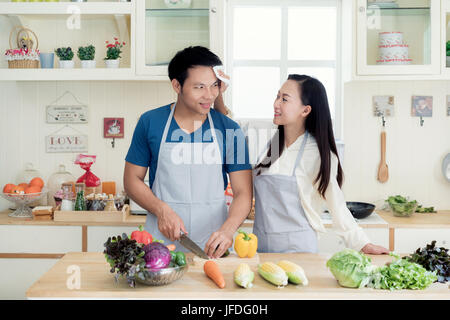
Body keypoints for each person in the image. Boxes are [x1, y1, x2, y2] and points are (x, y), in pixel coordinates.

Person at [215, 74, 389, 255]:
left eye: (284, 99)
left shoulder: (318, 154)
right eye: (277, 96)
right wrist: (218, 94)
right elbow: (229, 129)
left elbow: (337, 206)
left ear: (305, 110)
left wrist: (364, 244)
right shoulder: (267, 143)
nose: (276, 103)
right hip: (262, 248)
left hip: (299, 251)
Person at [124, 46, 253, 259]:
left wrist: (228, 230)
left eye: (214, 86)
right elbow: (131, 180)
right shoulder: (150, 122)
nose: (209, 95)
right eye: (199, 87)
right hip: (161, 241)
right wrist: (162, 210)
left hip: (214, 243)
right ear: (177, 85)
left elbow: (243, 193)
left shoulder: (229, 129)